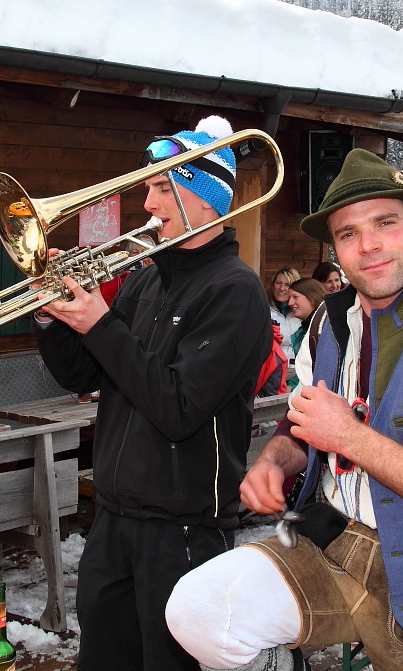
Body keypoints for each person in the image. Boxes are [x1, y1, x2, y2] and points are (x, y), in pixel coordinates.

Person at [165, 149, 403, 671]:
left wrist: (349, 437)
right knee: (198, 610)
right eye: (347, 234)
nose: (368, 246)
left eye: (385, 223)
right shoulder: (329, 322)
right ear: (334, 249)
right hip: (332, 544)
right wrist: (277, 458)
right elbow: (303, 421)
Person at [32, 116, 271, 671]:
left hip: (183, 529)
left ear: (209, 200)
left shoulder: (235, 291)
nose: (147, 202)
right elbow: (84, 377)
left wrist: (99, 325)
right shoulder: (146, 278)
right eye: (150, 187)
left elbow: (179, 409)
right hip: (114, 518)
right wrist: (51, 319)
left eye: (163, 186)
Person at [267, 267, 302, 361]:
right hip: (272, 367)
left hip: (297, 368)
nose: (281, 288)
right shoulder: (264, 308)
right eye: (278, 283)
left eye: (287, 285)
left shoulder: (302, 311)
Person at [285, 278, 325, 360]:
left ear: (312, 296)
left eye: (295, 297)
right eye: (289, 298)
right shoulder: (306, 330)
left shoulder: (325, 329)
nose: (290, 303)